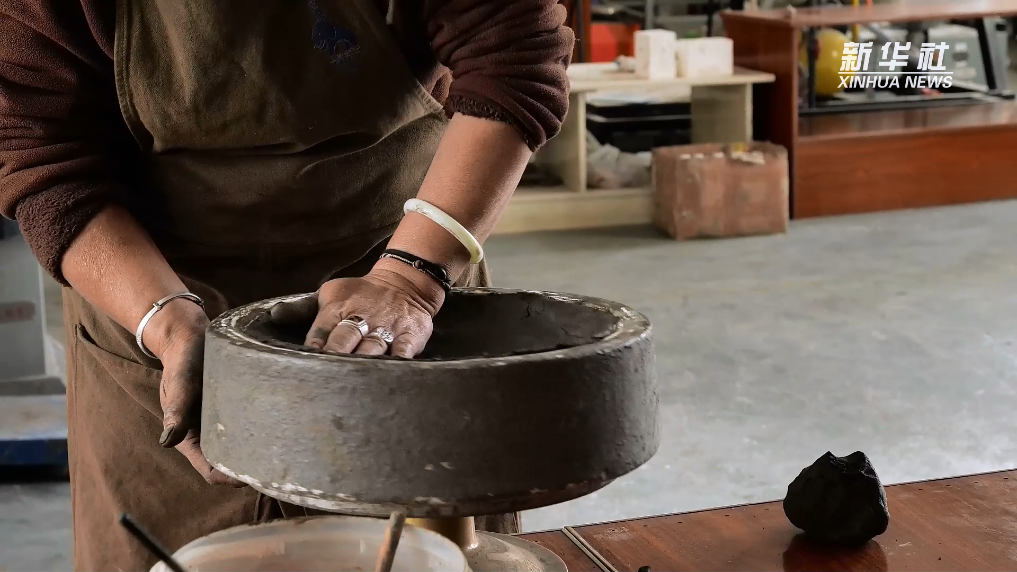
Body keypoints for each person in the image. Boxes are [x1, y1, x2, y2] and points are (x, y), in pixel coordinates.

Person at [0, 0, 572, 569]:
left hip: (404, 265)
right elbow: (38, 143)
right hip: (147, 296)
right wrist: (166, 322)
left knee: (426, 555)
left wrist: (409, 278)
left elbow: (513, 57)